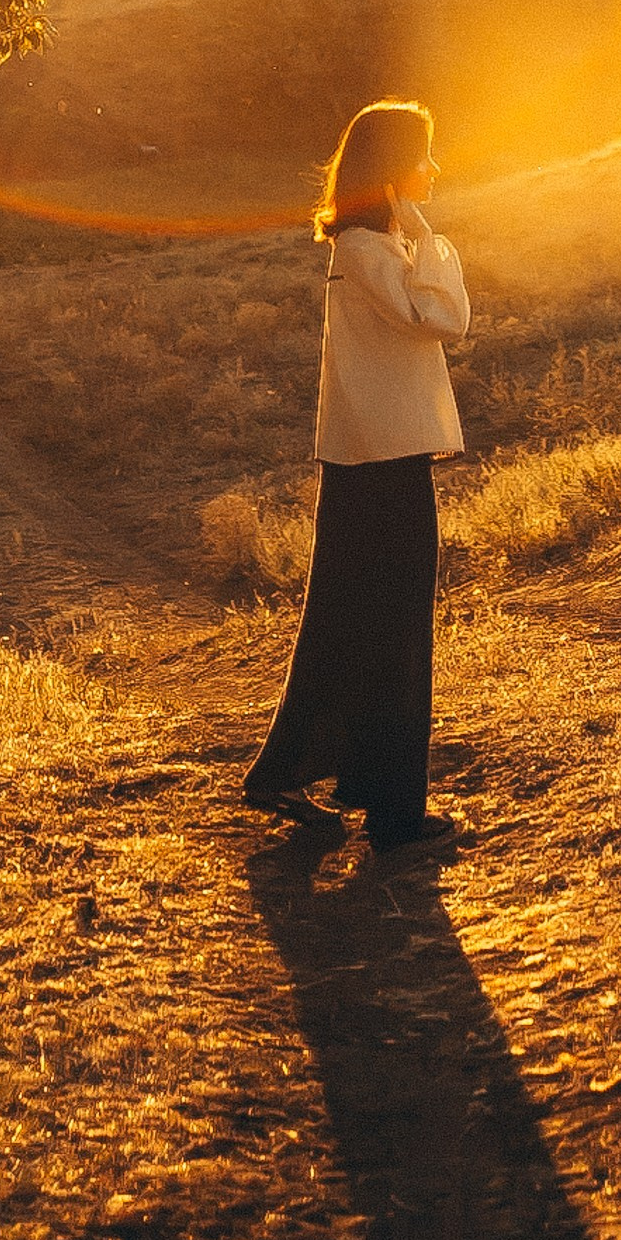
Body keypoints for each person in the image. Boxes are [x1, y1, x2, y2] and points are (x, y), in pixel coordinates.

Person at [244, 96, 468, 853]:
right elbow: (444, 318)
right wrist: (433, 236)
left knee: (352, 623)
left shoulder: (370, 248)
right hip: (381, 467)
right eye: (424, 155)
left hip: (370, 463)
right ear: (393, 167)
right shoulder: (372, 252)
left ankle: (325, 782)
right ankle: (394, 812)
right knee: (392, 630)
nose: (434, 168)